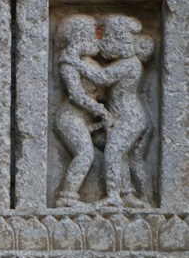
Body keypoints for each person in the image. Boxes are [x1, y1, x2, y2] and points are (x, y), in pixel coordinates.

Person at [69, 15, 153, 208]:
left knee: (114, 152)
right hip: (124, 116)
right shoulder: (128, 62)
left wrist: (76, 63)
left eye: (108, 38)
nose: (103, 43)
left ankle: (114, 195)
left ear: (120, 40)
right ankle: (127, 193)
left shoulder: (129, 63)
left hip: (129, 117)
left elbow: (103, 77)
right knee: (121, 153)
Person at [55, 15, 112, 207]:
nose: (95, 39)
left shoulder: (86, 61)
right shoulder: (67, 63)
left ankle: (120, 193)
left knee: (110, 149)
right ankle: (67, 197)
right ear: (78, 37)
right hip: (70, 118)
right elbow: (76, 95)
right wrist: (100, 110)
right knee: (85, 153)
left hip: (87, 120)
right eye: (90, 35)